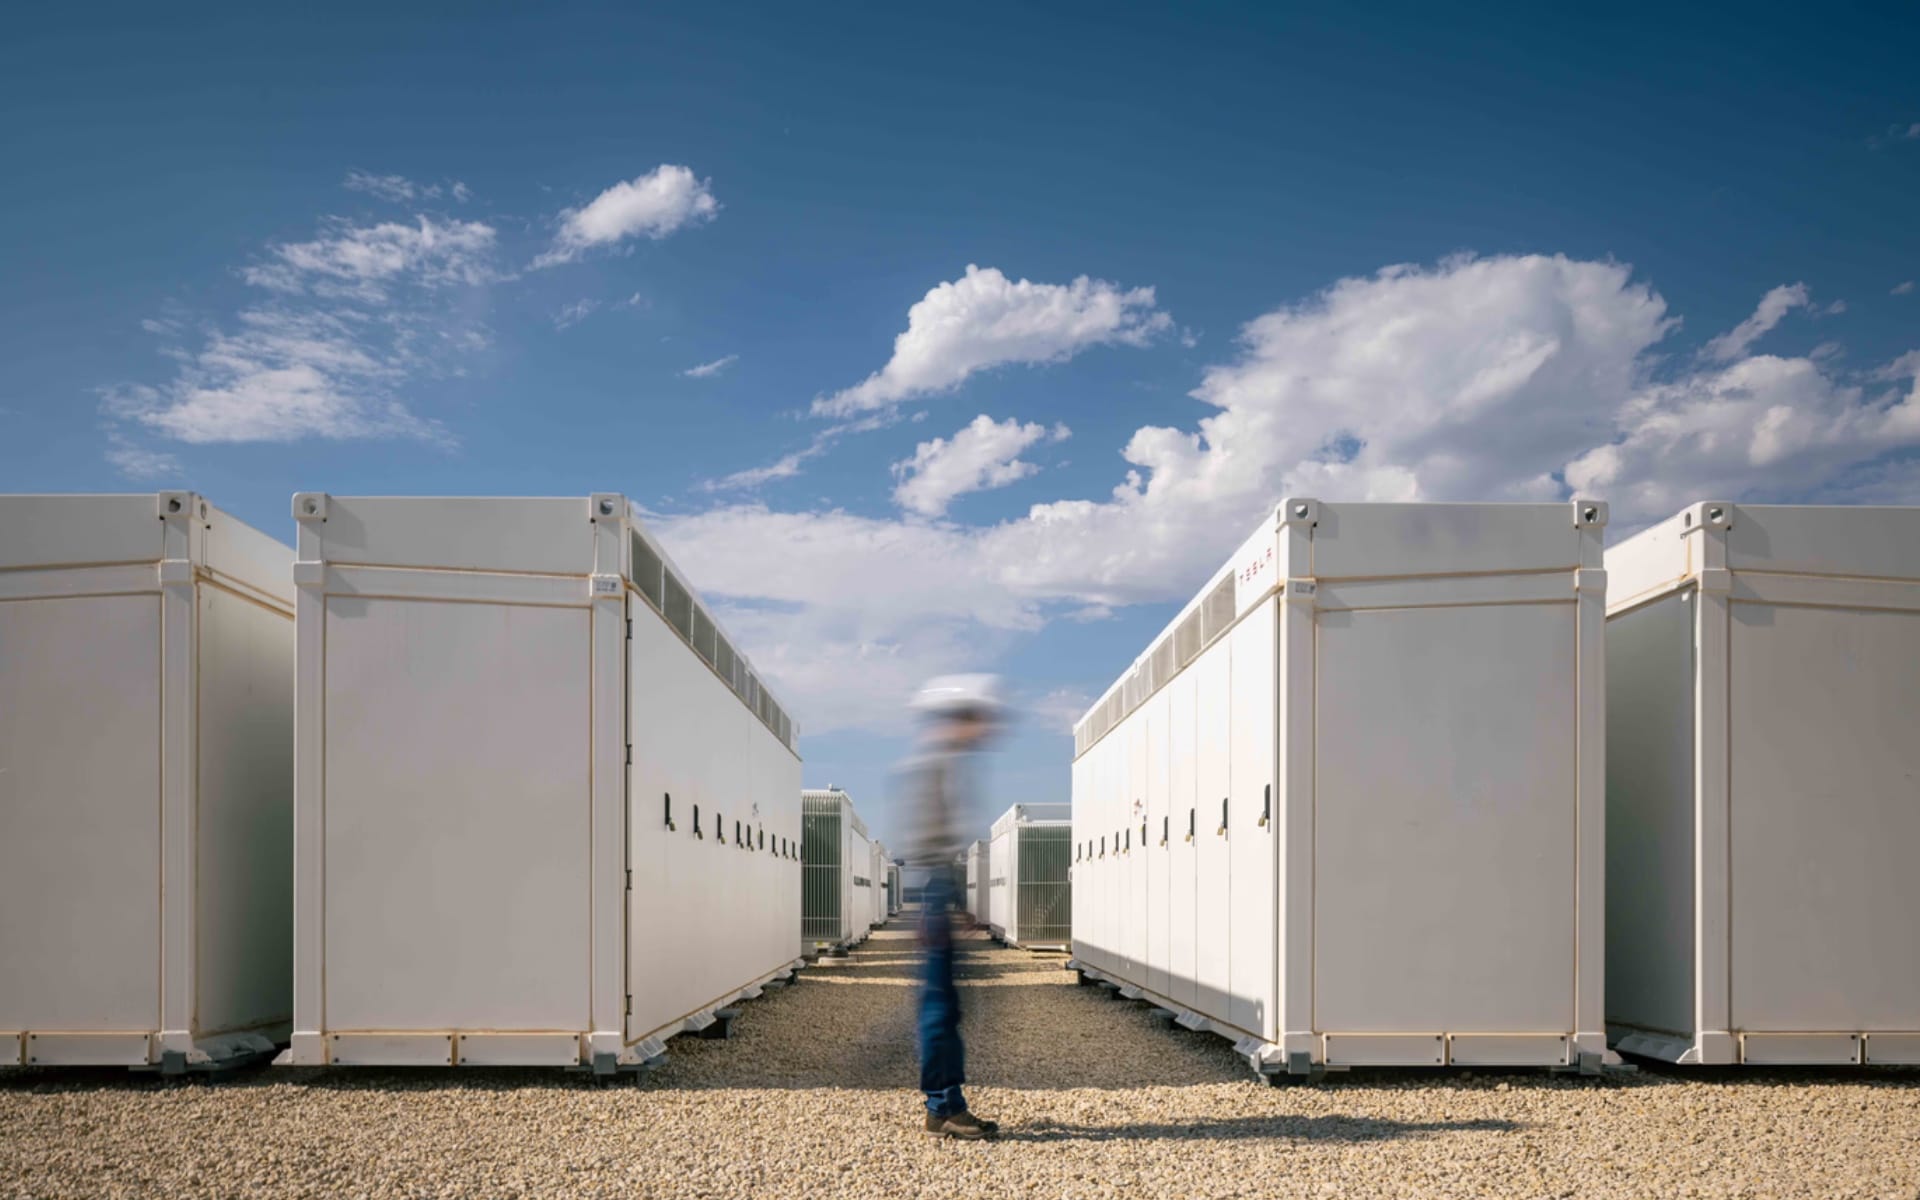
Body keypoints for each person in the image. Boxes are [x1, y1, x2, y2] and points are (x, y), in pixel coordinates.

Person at [899, 674, 1005, 1140]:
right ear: (958, 718)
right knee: (940, 1008)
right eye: (978, 719)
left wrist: (955, 902)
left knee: (946, 1006)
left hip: (940, 890)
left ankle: (945, 1103)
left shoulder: (944, 763)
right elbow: (928, 843)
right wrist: (939, 903)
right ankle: (943, 1107)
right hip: (935, 889)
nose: (985, 729)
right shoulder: (934, 764)